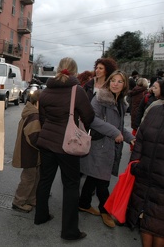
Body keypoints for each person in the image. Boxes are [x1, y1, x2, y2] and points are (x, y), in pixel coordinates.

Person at [34, 57, 95, 240]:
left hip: (46, 142)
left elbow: (42, 117)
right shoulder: (77, 91)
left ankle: (40, 216)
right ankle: (69, 231)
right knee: (70, 185)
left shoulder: (46, 90)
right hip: (68, 145)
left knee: (45, 180)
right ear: (74, 71)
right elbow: (89, 116)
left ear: (59, 69)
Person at [79, 70, 135, 228]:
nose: (115, 84)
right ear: (108, 82)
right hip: (99, 146)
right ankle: (105, 209)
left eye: (120, 81)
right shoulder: (100, 98)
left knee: (93, 177)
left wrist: (131, 139)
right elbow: (92, 120)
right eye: (113, 81)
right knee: (103, 182)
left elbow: (120, 127)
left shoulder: (121, 103)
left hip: (109, 147)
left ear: (125, 85)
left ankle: (83, 203)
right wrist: (115, 132)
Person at [125, 103, 164, 247]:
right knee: (147, 222)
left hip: (160, 183)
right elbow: (140, 138)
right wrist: (135, 164)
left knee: (159, 227)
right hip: (145, 177)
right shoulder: (155, 110)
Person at [12, 90, 41, 213]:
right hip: (29, 154)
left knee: (34, 177)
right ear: (38, 102)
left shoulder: (30, 112)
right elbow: (34, 138)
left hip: (29, 153)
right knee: (28, 179)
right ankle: (18, 202)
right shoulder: (34, 116)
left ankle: (31, 199)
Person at [128, 77, 148, 151]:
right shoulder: (145, 92)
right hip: (141, 112)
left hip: (134, 111)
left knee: (134, 129)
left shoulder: (134, 91)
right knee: (141, 131)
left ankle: (132, 146)